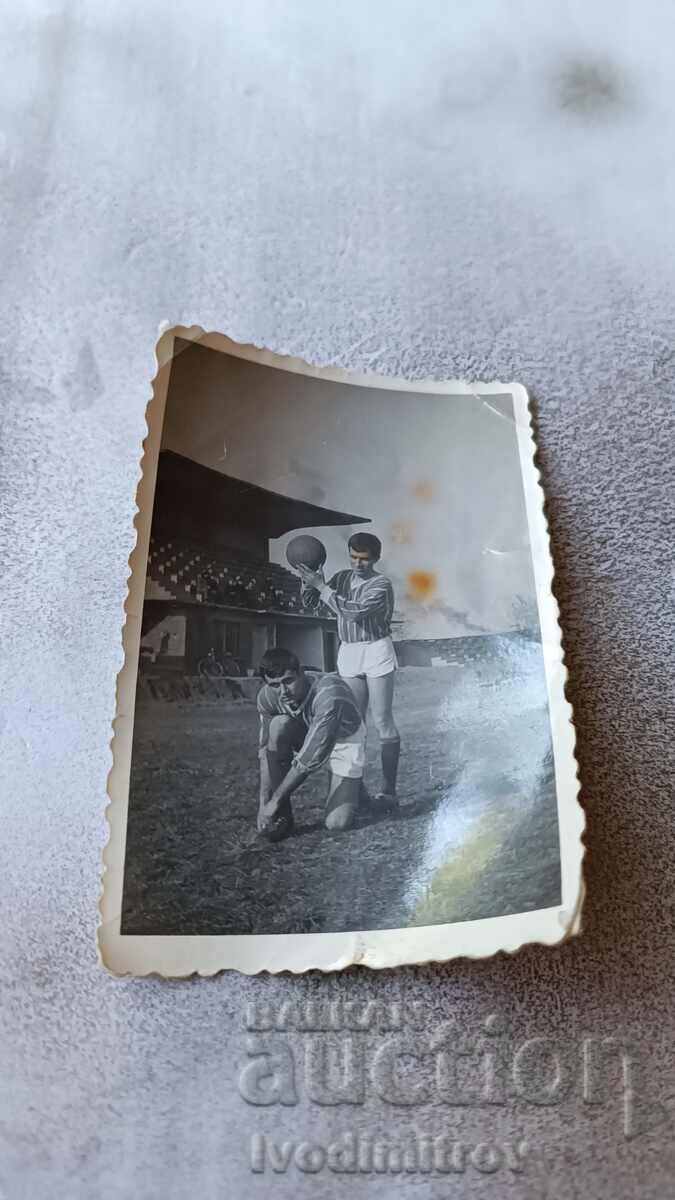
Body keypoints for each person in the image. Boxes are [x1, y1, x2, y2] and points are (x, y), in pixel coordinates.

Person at [297, 532, 400, 806]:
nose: (358, 563)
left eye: (364, 559)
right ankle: (358, 790)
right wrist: (308, 580)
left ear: (375, 559)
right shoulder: (341, 577)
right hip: (349, 650)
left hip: (376, 648)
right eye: (353, 557)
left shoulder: (382, 584)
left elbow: (352, 611)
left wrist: (322, 586)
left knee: (382, 721)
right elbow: (310, 602)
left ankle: (389, 791)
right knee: (354, 724)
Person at [256, 648, 366, 842]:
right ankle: (284, 817)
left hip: (344, 739)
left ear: (301, 673)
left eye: (288, 681)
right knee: (278, 725)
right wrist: (263, 804)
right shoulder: (266, 697)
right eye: (274, 685)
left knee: (336, 823)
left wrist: (274, 800)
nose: (282, 691)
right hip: (309, 732)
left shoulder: (329, 693)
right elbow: (265, 750)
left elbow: (309, 758)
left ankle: (355, 789)